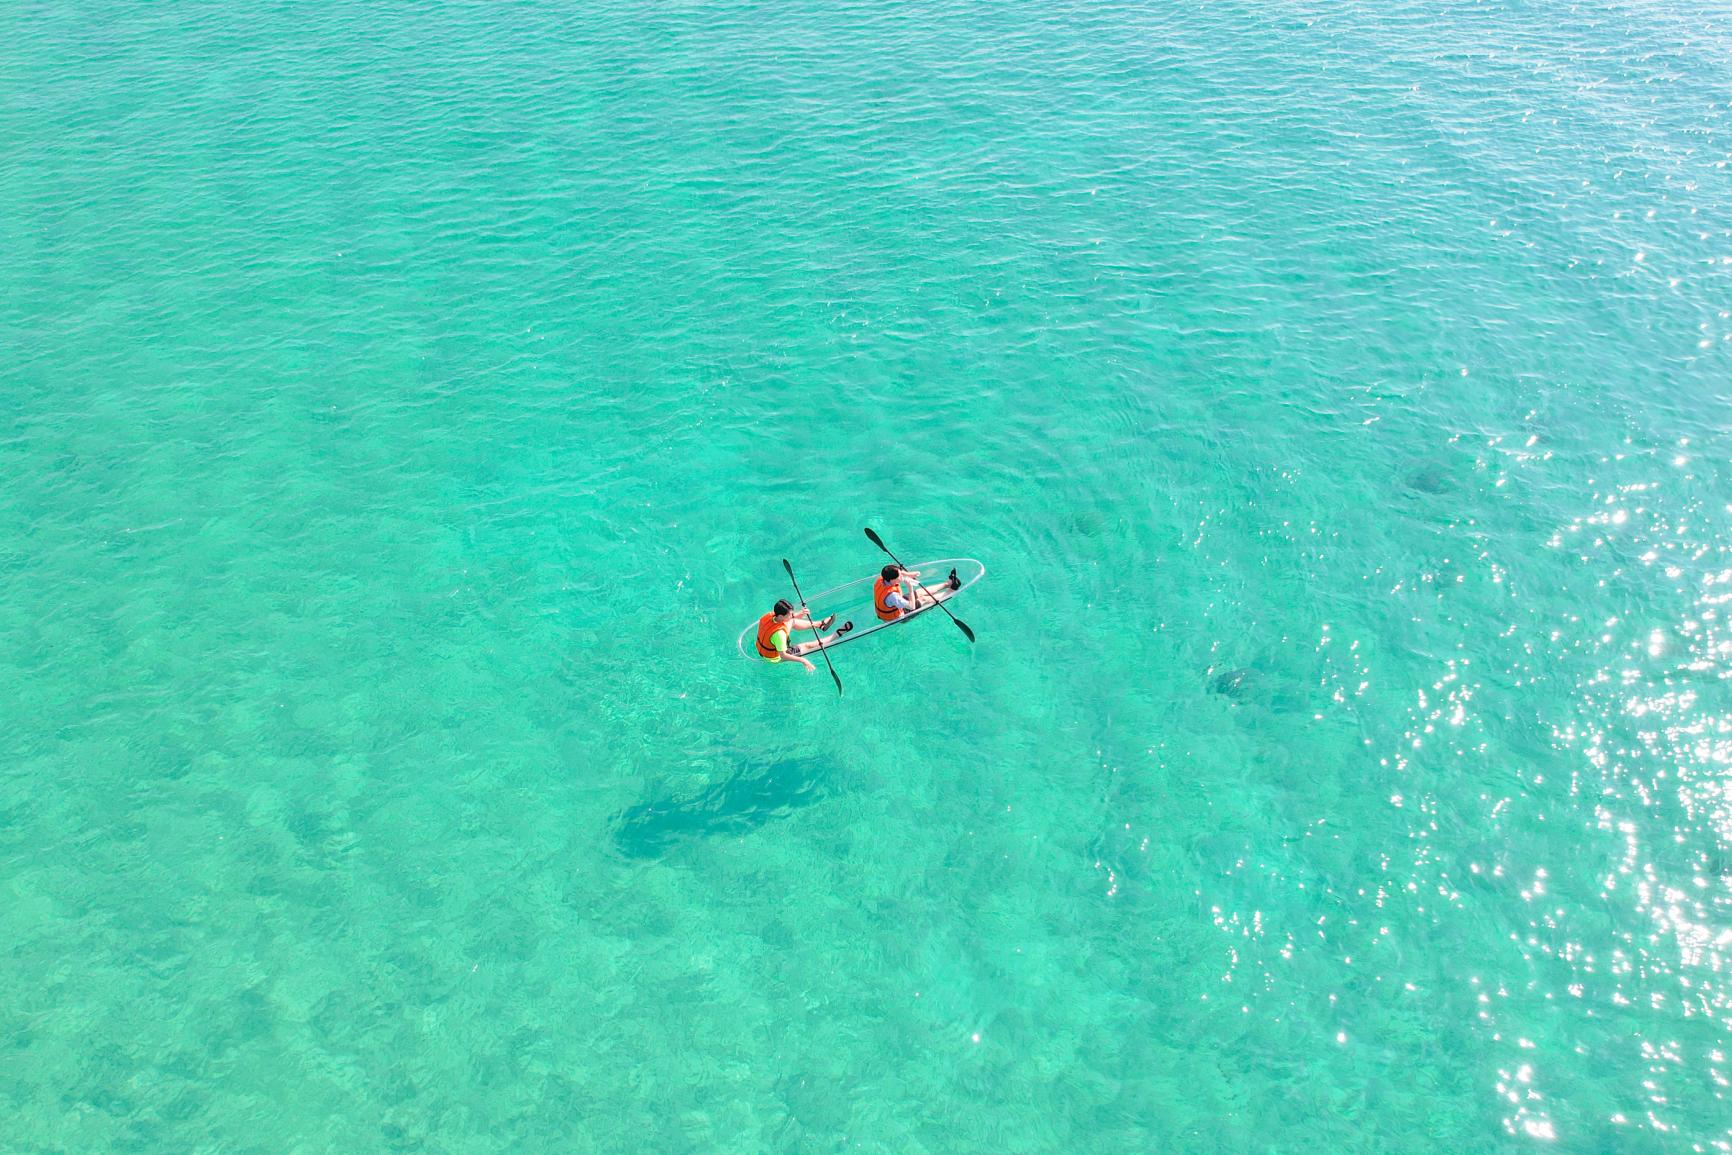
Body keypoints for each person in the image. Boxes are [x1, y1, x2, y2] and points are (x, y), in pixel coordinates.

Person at [755, 599, 851, 670]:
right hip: (774, 658)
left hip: (768, 644)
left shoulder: (768, 616)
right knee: (808, 645)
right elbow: (783, 655)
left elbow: (787, 619)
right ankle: (835, 635)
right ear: (780, 616)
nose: (791, 615)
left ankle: (820, 624)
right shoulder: (779, 635)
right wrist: (803, 661)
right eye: (789, 614)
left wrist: (798, 614)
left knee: (792, 621)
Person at [873, 564, 961, 621]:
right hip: (898, 616)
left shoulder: (882, 578)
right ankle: (951, 591)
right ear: (892, 579)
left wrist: (909, 574)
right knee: (923, 599)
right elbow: (912, 607)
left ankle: (948, 583)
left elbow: (897, 572)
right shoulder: (892, 596)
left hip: (895, 605)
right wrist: (910, 588)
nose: (901, 576)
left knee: (919, 591)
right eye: (900, 576)